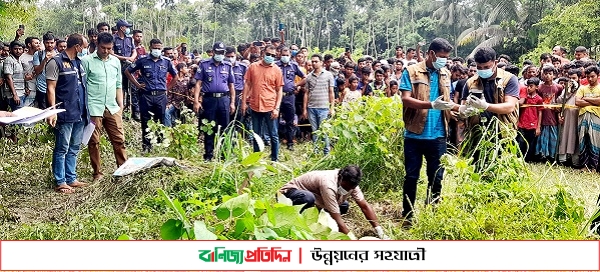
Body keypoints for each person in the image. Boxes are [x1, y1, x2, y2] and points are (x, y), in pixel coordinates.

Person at [399, 38, 457, 227]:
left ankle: (432, 211)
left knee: (436, 176)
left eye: (447, 58)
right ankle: (408, 216)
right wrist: (430, 104)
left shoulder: (445, 73)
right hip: (414, 134)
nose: (445, 61)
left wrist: (461, 109)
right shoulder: (411, 71)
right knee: (411, 177)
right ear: (431, 54)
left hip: (439, 134)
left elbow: (446, 102)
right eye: (442, 57)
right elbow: (406, 100)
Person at [279, 165, 390, 239]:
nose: (347, 191)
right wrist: (351, 238)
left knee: (344, 206)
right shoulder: (328, 183)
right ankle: (299, 220)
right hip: (291, 192)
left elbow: (364, 206)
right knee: (307, 198)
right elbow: (337, 218)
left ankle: (315, 212)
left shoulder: (351, 183)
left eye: (350, 189)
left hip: (318, 197)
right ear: (340, 178)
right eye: (345, 187)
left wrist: (379, 231)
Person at [45, 33, 90, 194]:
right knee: (62, 147)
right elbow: (51, 88)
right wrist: (52, 111)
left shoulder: (79, 63)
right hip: (64, 112)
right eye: (83, 47)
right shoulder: (55, 62)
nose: (84, 50)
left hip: (80, 112)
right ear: (77, 46)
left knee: (74, 147)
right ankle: (60, 181)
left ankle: (71, 177)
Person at [82, 32, 128, 182]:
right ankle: (97, 173)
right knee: (94, 141)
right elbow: (82, 85)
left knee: (119, 140)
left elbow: (118, 85)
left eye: (109, 48)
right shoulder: (86, 61)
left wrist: (120, 106)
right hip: (94, 107)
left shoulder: (115, 62)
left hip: (112, 107)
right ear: (97, 45)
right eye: (103, 48)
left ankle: (123, 170)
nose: (106, 51)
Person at [125, 38, 177, 152]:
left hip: (160, 96)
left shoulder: (166, 61)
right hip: (146, 95)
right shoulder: (142, 60)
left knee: (161, 120)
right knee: (145, 121)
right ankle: (146, 147)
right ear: (150, 48)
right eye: (155, 48)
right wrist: (137, 85)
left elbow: (175, 76)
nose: (157, 50)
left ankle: (159, 145)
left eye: (159, 48)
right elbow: (128, 71)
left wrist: (167, 88)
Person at [193, 42, 235, 161]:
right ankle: (208, 155)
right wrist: (196, 101)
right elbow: (198, 84)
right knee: (209, 127)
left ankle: (223, 155)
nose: (219, 55)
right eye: (217, 52)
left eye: (222, 53)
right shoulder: (204, 64)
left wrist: (232, 103)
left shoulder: (227, 65)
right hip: (209, 99)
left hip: (223, 100)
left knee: (224, 127)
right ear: (213, 52)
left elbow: (231, 86)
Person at [242, 45, 284, 161]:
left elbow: (279, 90)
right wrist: (244, 103)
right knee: (256, 134)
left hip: (270, 106)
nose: (270, 57)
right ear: (263, 54)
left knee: (273, 134)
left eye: (273, 55)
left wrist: (276, 108)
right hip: (255, 105)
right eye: (268, 54)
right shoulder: (253, 67)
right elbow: (247, 85)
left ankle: (274, 158)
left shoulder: (276, 70)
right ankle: (256, 158)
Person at [302, 54, 335, 155]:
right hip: (312, 107)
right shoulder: (309, 77)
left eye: (316, 61)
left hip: (324, 107)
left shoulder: (328, 75)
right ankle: (315, 152)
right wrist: (304, 109)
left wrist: (332, 107)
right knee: (314, 131)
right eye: (312, 61)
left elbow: (331, 92)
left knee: (324, 131)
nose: (314, 63)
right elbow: (306, 93)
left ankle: (326, 152)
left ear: (321, 62)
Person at [276, 47, 305, 151]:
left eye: (287, 55)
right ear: (280, 55)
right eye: (283, 55)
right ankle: (275, 142)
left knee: (290, 120)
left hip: (289, 96)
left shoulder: (294, 65)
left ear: (290, 56)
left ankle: (290, 142)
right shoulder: (275, 65)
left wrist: (296, 85)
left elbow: (304, 77)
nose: (285, 57)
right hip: (276, 96)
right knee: (274, 119)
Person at [575, 65, 600, 172]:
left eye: (592, 76)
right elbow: (577, 102)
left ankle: (594, 167)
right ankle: (584, 166)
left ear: (598, 76)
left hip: (596, 116)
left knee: (595, 141)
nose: (590, 79)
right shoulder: (582, 88)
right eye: (588, 76)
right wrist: (594, 100)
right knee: (583, 140)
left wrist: (586, 98)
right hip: (582, 117)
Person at [536, 65, 563, 161]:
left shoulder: (558, 87)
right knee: (543, 134)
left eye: (550, 74)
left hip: (553, 113)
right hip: (543, 113)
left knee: (553, 134)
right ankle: (542, 154)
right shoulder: (539, 87)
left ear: (554, 75)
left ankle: (552, 155)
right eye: (545, 73)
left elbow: (560, 100)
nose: (547, 76)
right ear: (542, 75)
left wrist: (558, 112)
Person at [113, 19, 137, 117]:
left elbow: (134, 51)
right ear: (121, 28)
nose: (127, 29)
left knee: (132, 88)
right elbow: (111, 53)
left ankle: (133, 111)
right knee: (120, 87)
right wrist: (125, 58)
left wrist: (132, 58)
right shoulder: (114, 38)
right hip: (118, 66)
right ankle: (120, 110)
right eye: (126, 27)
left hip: (129, 66)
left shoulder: (129, 39)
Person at [517, 77, 543, 162]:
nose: (528, 88)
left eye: (531, 86)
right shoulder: (524, 98)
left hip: (532, 124)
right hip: (521, 123)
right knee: (520, 142)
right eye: (527, 86)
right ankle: (519, 158)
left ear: (536, 87)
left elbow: (540, 112)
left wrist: (538, 127)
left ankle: (528, 160)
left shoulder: (539, 99)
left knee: (531, 143)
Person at [33, 32, 57, 109]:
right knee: (43, 112)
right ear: (43, 42)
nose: (49, 45)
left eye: (51, 43)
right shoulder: (38, 54)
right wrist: (45, 60)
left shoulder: (58, 55)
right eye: (47, 43)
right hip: (41, 88)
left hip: (55, 88)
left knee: (54, 110)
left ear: (54, 43)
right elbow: (37, 71)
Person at [165, 62, 191, 127]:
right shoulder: (174, 80)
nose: (187, 69)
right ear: (181, 69)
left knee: (180, 120)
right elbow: (170, 93)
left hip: (183, 103)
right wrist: (168, 103)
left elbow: (189, 91)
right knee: (166, 112)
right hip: (174, 103)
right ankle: (168, 130)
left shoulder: (188, 80)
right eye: (185, 68)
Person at [3, 41, 27, 110]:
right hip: (14, 94)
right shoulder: (9, 60)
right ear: (11, 49)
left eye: (20, 49)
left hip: (20, 92)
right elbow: (8, 77)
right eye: (15, 49)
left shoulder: (18, 60)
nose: (18, 51)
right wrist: (15, 94)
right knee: (19, 118)